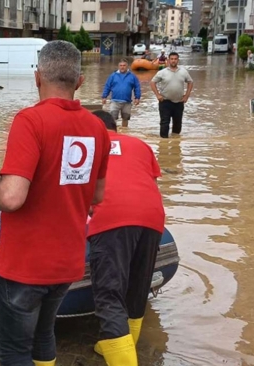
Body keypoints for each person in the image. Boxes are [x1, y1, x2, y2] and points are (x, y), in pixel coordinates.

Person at [0, 40, 110, 366]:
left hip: (25, 266)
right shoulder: (96, 128)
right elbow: (97, 196)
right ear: (79, 81)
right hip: (66, 265)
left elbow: (12, 196)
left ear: (37, 77)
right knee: (44, 336)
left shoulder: (30, 121)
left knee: (15, 352)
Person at [87, 110, 166, 366]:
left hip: (111, 217)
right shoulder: (140, 145)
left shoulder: (87, 147)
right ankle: (121, 345)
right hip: (152, 218)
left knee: (109, 295)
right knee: (137, 288)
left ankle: (120, 353)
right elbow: (149, 182)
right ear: (115, 129)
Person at [150, 52, 193, 138]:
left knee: (177, 124)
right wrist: (158, 95)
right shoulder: (162, 72)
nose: (173, 61)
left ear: (178, 60)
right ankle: (163, 145)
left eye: (175, 59)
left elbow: (190, 82)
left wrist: (186, 96)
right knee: (164, 123)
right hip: (165, 102)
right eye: (172, 59)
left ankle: (175, 145)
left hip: (179, 102)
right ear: (168, 60)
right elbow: (152, 82)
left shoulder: (183, 72)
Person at [101, 59, 141, 128]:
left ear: (127, 66)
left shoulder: (132, 76)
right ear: (118, 66)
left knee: (125, 119)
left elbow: (137, 87)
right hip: (114, 101)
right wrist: (104, 97)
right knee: (113, 119)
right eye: (121, 65)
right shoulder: (113, 76)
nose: (122, 67)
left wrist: (137, 98)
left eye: (124, 65)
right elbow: (107, 86)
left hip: (127, 102)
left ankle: (124, 132)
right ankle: (114, 134)